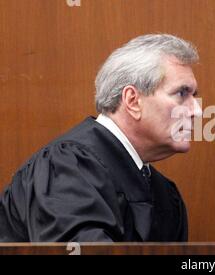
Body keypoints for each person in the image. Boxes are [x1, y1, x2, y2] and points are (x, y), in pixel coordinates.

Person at [0, 34, 202, 242]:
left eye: (194, 96)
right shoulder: (67, 166)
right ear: (133, 101)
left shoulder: (164, 194)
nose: (197, 110)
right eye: (181, 93)